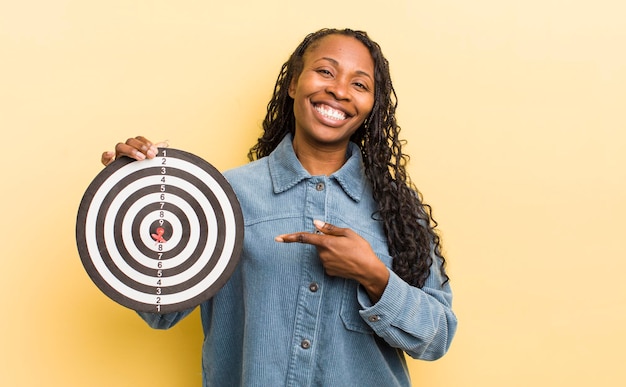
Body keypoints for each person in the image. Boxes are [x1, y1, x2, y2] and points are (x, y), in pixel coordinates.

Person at [101, 28, 457, 386]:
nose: (339, 90)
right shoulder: (224, 196)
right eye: (326, 72)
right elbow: (162, 313)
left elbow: (437, 337)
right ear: (292, 83)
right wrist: (132, 197)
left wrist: (374, 276)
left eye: (360, 85)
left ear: (371, 107)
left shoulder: (397, 212)